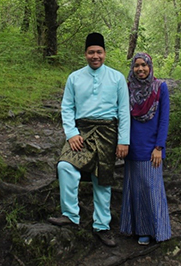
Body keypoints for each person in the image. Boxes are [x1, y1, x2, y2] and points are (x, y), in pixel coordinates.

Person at [48, 32, 130, 248]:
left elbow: (123, 111)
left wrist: (123, 141)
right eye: (91, 52)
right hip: (81, 132)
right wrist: (72, 133)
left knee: (102, 179)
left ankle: (102, 226)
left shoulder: (117, 77)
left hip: (107, 132)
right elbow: (67, 107)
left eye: (99, 52)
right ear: (85, 54)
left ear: (105, 54)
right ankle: (70, 215)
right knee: (65, 166)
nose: (96, 56)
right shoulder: (74, 77)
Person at [120, 52, 171, 245]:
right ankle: (139, 230)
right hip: (132, 146)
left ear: (150, 66)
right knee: (136, 189)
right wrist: (122, 142)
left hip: (152, 148)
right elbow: (123, 118)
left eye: (144, 65)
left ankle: (158, 230)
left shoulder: (160, 88)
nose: (140, 69)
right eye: (136, 65)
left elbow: (164, 119)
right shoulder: (127, 88)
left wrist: (159, 147)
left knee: (151, 188)